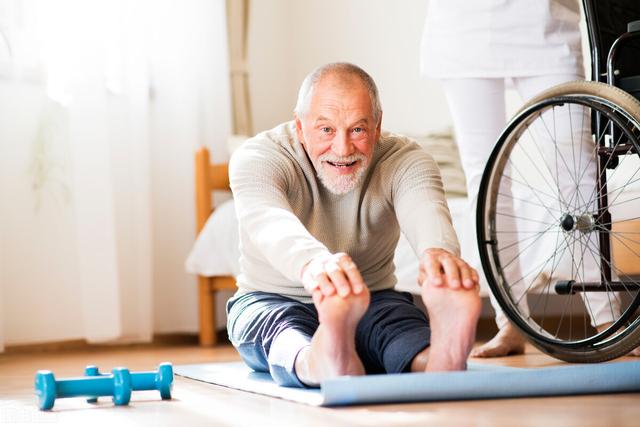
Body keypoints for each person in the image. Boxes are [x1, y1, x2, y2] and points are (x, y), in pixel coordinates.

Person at [227, 62, 481, 387]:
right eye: (326, 130)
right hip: (272, 297)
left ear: (377, 127)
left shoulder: (405, 159)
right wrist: (315, 266)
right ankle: (320, 360)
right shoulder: (258, 156)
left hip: (372, 298)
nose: (343, 149)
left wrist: (439, 258)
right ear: (300, 127)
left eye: (358, 130)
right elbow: (268, 221)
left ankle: (440, 359)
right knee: (283, 334)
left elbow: (425, 207)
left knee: (397, 328)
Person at [421, 0, 639, 357]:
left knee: (579, 170)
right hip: (461, 28)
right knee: (486, 178)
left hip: (545, 22)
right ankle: (510, 324)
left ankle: (607, 321)